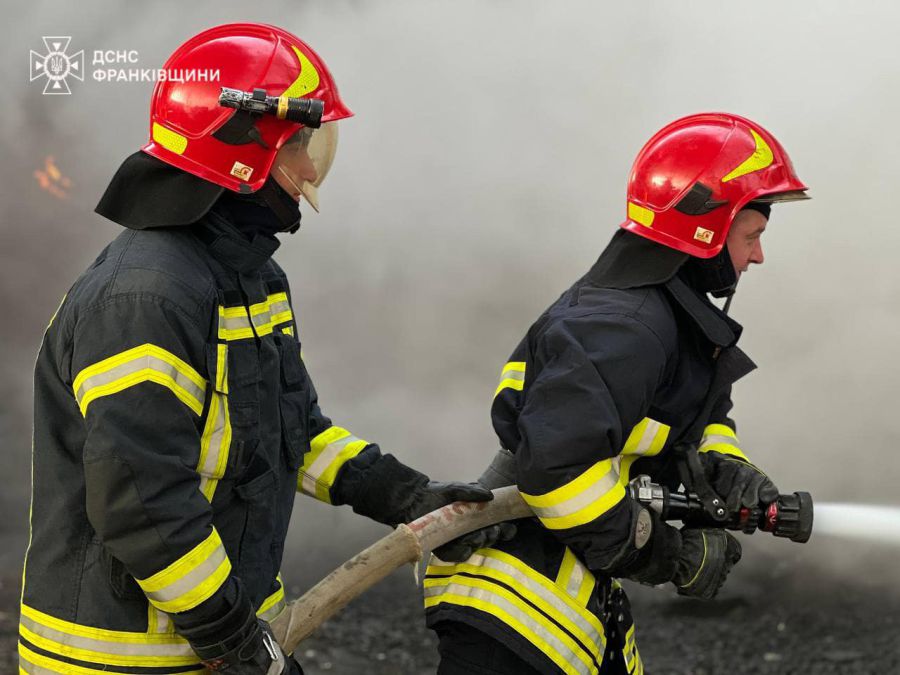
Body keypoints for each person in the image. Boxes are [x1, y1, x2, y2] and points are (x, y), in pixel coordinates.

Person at [18, 23, 491, 674]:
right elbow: (143, 498)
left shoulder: (249, 276)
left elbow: (288, 429)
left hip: (225, 639)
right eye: (297, 143)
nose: (307, 167)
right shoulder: (145, 299)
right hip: (127, 658)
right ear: (240, 143)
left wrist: (404, 493)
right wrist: (232, 636)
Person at [424, 112, 809, 675]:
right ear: (705, 229)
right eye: (751, 237)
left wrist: (725, 467)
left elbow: (690, 418)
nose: (757, 256)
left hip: (551, 614)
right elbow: (556, 473)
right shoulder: (624, 327)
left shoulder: (659, 315)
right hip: (514, 616)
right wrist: (671, 557)